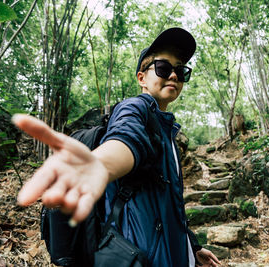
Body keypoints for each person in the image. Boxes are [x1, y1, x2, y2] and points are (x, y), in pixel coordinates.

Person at [13, 27, 221, 267]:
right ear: (142, 78)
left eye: (180, 70)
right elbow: (126, 140)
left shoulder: (168, 131)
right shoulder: (135, 108)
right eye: (164, 68)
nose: (173, 75)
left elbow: (168, 204)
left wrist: (191, 245)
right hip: (142, 257)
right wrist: (97, 165)